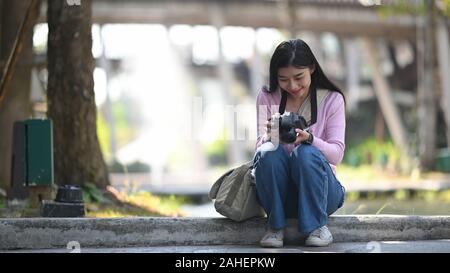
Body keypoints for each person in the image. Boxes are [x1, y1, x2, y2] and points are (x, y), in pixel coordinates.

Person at [253, 39, 346, 248]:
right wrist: (271, 136)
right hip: (281, 195)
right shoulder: (267, 96)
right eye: (284, 79)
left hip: (322, 193)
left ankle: (317, 227)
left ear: (312, 68)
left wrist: (310, 139)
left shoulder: (332, 100)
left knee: (305, 153)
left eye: (299, 77)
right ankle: (275, 227)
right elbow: (259, 147)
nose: (293, 86)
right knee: (268, 151)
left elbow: (337, 155)